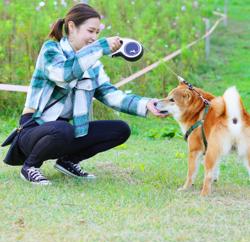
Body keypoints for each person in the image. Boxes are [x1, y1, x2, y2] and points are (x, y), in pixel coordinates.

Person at [18, 3, 166, 185]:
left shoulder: (93, 65)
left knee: (120, 129)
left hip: (64, 132)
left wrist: (146, 104)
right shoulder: (51, 50)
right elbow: (65, 74)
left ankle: (68, 161)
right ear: (71, 27)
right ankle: (30, 167)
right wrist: (100, 48)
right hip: (34, 129)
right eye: (90, 31)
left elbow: (111, 95)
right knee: (62, 129)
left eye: (97, 32)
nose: (94, 37)